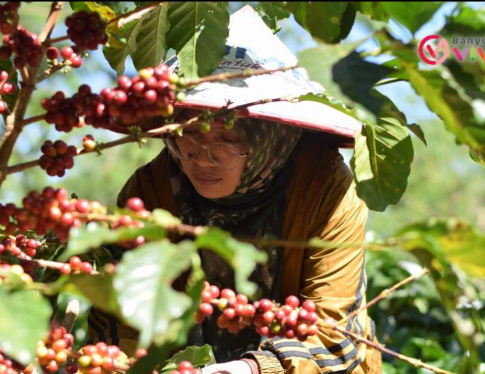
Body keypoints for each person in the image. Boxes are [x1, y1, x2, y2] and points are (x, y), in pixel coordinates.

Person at [87, 107, 383, 374]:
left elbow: (332, 329)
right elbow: (125, 315)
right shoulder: (152, 190)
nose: (201, 158)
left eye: (226, 140)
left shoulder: (326, 190)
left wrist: (254, 369)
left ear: (266, 137)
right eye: (187, 134)